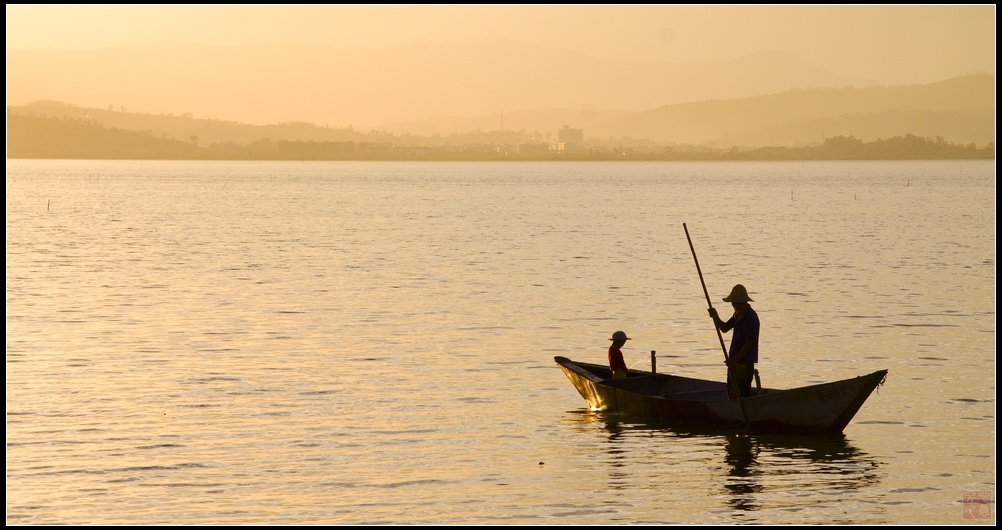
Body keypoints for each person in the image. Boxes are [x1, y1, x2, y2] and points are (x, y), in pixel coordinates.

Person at [708, 284, 760, 398]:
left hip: (744, 363)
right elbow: (725, 328)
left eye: (734, 302)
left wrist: (736, 359)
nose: (732, 304)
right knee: (732, 392)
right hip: (734, 362)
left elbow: (749, 342)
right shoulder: (737, 315)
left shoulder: (750, 317)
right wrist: (715, 316)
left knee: (741, 393)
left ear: (740, 302)